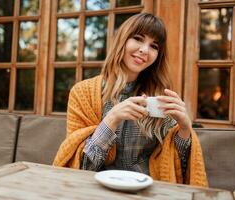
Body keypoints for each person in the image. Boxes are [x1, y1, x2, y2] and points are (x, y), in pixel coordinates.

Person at [53, 13, 208, 187]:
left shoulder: (159, 99)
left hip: (149, 190)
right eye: (138, 38)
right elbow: (80, 166)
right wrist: (111, 120)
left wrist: (185, 129)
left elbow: (178, 168)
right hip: (95, 190)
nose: (144, 50)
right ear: (122, 40)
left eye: (154, 46)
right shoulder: (83, 93)